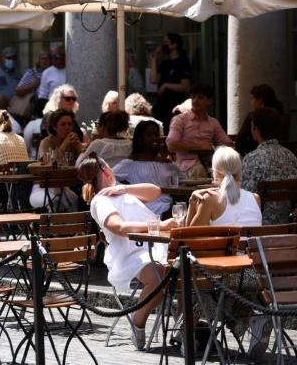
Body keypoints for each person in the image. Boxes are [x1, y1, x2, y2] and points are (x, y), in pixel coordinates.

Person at [78, 155, 174, 349]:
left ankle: (184, 330)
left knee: (184, 269)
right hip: (131, 254)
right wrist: (159, 225)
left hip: (156, 245)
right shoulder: (100, 201)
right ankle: (138, 319)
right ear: (106, 171)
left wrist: (124, 188)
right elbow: (119, 227)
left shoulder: (120, 192)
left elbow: (155, 191)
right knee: (160, 276)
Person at [241, 108, 297, 224]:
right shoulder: (291, 156)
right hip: (286, 224)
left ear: (256, 129)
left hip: (258, 225)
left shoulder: (251, 159)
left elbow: (245, 196)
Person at [166, 83, 233, 180]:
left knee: (229, 168)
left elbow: (228, 144)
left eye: (200, 97)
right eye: (193, 97)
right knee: (198, 170)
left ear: (209, 101)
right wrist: (200, 147)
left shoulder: (213, 122)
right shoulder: (180, 120)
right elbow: (171, 145)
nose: (195, 101)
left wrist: (213, 148)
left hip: (210, 164)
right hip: (186, 166)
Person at [112, 120, 179, 216]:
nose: (154, 138)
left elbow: (182, 181)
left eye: (156, 134)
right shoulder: (130, 164)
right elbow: (110, 179)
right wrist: (129, 190)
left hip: (169, 205)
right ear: (140, 140)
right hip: (147, 208)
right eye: (149, 135)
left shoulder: (166, 163)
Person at [187, 146, 261, 227]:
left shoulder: (210, 199)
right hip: (250, 240)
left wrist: (192, 200)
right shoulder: (255, 198)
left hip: (227, 239)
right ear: (239, 171)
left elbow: (189, 235)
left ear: (215, 173)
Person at [150, 33, 191, 132]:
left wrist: (166, 85)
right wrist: (154, 58)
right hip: (161, 106)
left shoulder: (182, 62)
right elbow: (153, 79)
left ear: (174, 45)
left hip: (174, 106)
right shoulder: (165, 63)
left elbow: (184, 86)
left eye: (166, 42)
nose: (163, 45)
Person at [235, 84, 289, 157]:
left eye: (252, 98)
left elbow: (239, 142)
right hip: (282, 155)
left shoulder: (253, 116)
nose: (251, 102)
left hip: (257, 155)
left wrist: (250, 152)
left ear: (260, 100)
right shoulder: (283, 117)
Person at [15, 49, 51, 114]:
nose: (45, 61)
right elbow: (18, 91)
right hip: (36, 108)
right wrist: (33, 85)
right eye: (42, 58)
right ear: (39, 60)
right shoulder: (32, 72)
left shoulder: (54, 72)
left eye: (47, 58)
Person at [36, 45, 66, 114]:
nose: (53, 60)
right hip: (52, 110)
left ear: (64, 57)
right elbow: (43, 95)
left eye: (57, 57)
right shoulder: (47, 72)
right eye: (52, 57)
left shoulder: (72, 69)